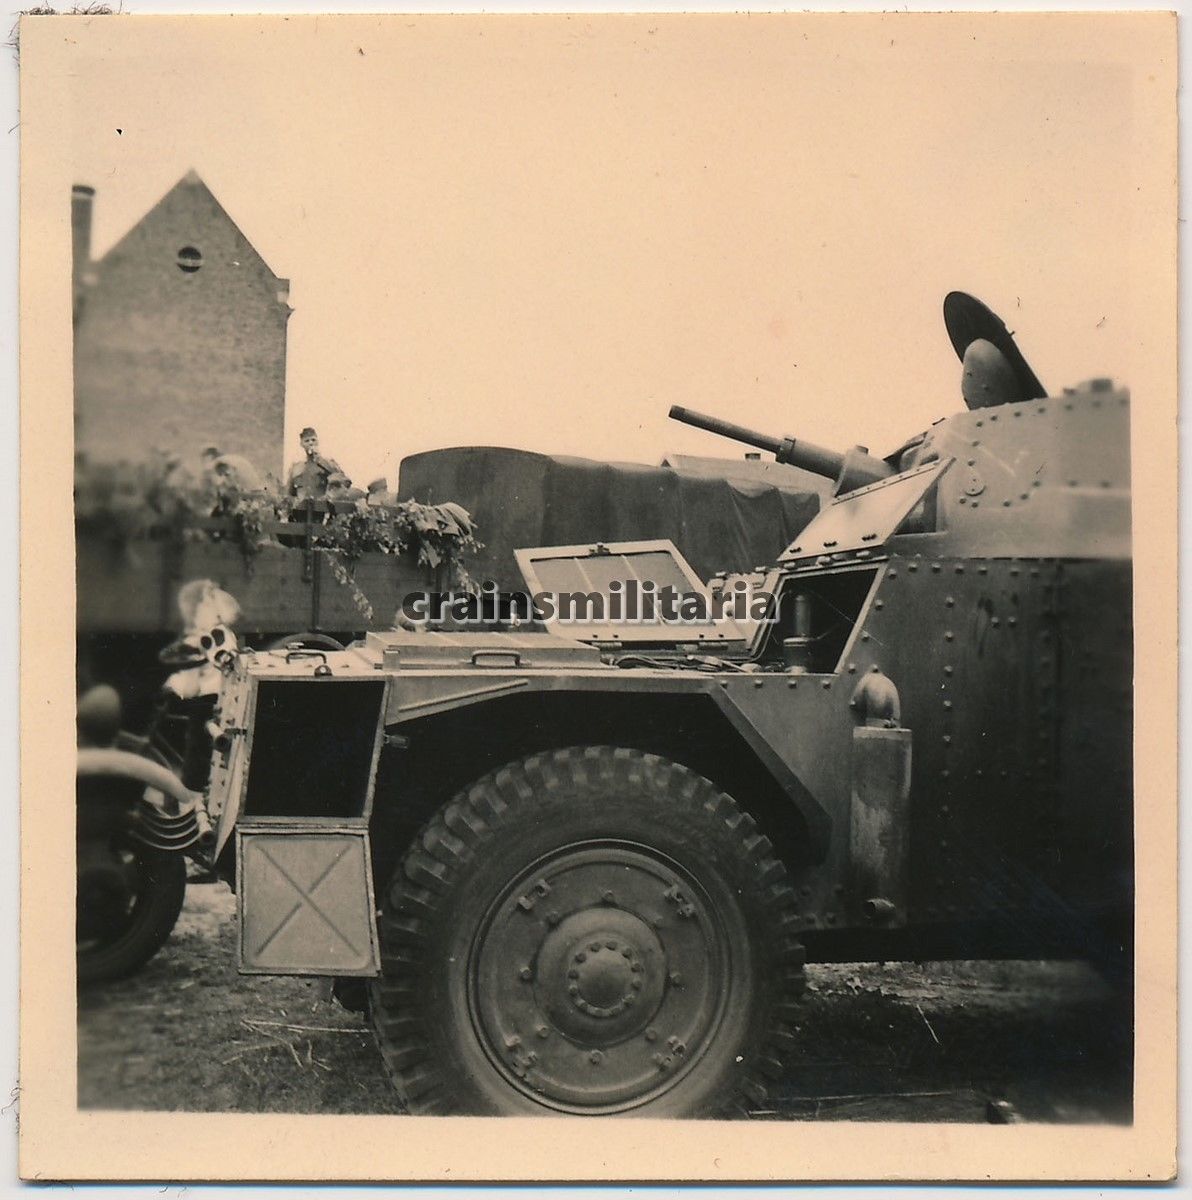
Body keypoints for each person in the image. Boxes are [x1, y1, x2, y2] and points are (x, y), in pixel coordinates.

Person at [287, 426, 344, 502]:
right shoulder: (296, 468)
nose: (311, 443)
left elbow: (342, 481)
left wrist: (320, 460)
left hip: (321, 506)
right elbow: (290, 493)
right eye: (307, 441)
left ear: (317, 442)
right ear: (301, 444)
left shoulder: (328, 463)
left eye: (313, 440)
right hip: (302, 507)